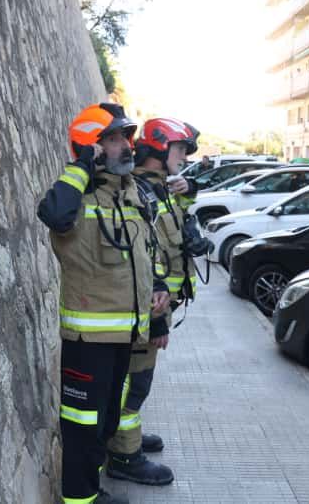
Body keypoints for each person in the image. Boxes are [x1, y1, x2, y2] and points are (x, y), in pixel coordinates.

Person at [37, 103, 170, 504]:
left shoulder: (128, 194)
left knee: (108, 421)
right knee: (83, 428)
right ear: (90, 147)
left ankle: (92, 493)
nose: (126, 146)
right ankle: (79, 500)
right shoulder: (77, 195)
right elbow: (54, 214)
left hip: (125, 335)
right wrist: (82, 166)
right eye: (112, 139)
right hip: (88, 339)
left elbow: (145, 254)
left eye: (126, 137)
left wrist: (159, 297)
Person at [106, 118, 201, 486]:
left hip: (160, 307)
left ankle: (126, 436)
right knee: (135, 383)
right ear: (159, 149)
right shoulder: (142, 192)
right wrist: (157, 319)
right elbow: (145, 258)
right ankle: (124, 456)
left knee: (138, 380)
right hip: (150, 310)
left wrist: (188, 189)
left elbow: (176, 226)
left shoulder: (161, 189)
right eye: (179, 150)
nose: (183, 157)